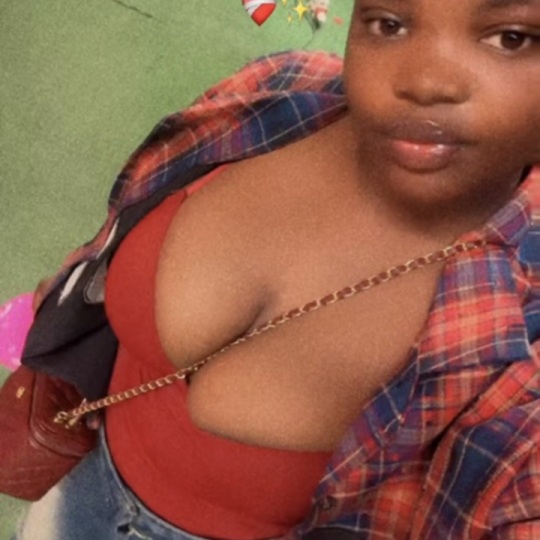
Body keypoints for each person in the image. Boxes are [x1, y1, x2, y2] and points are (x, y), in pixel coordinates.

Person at [13, 0, 540, 538]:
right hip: (75, 480)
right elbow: (127, 214)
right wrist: (74, 296)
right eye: (389, 24)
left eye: (512, 38)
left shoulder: (524, 338)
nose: (425, 81)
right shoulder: (278, 89)